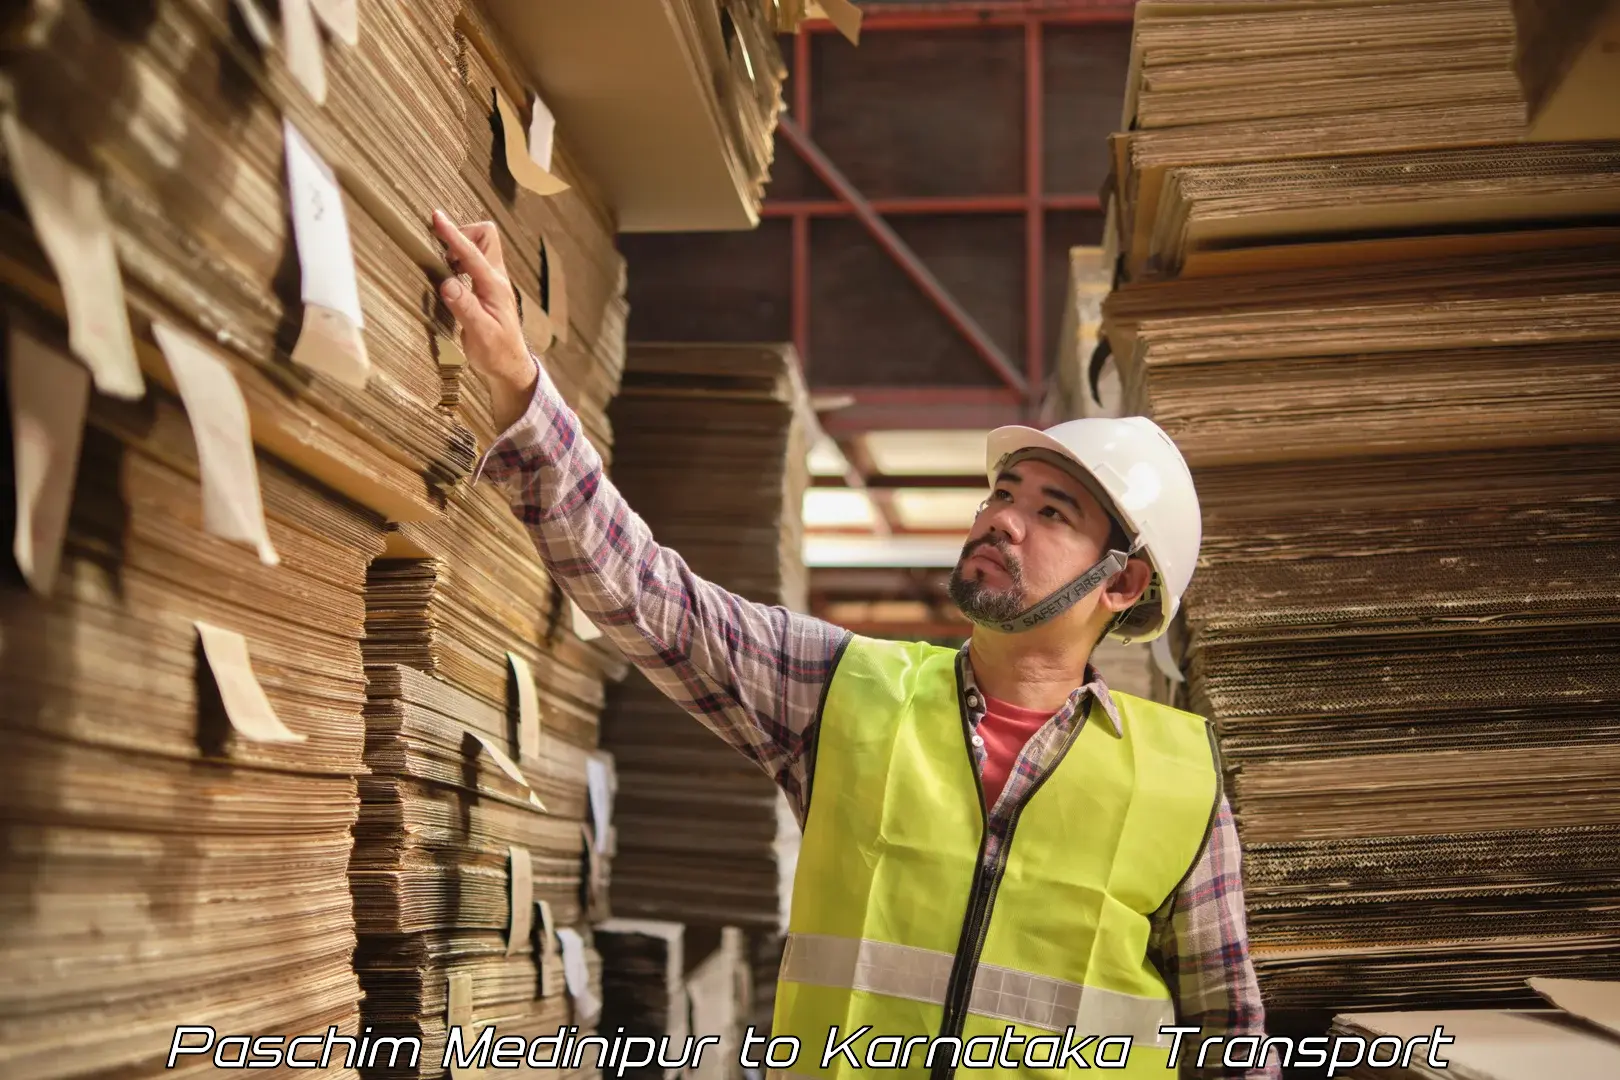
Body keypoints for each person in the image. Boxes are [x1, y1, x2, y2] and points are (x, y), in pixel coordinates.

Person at [430, 211, 1280, 1080]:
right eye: (1002, 494)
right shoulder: (847, 689)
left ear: (1123, 585)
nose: (1001, 520)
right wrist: (517, 384)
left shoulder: (1179, 781)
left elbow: (1230, 1040)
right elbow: (651, 596)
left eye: (1050, 513)